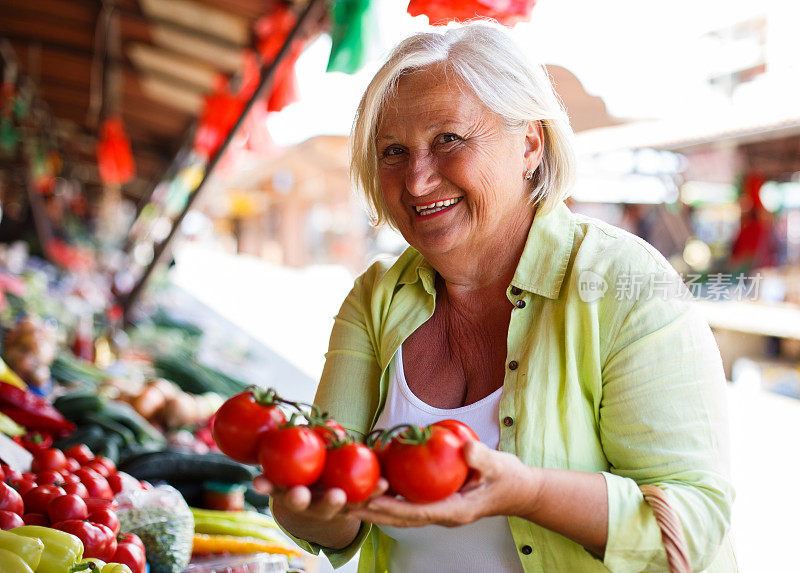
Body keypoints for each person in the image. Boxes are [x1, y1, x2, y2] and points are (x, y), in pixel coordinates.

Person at [255, 22, 735, 572]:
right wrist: (305, 504)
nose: (415, 181)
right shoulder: (376, 299)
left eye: (448, 140)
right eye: (392, 151)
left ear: (530, 143)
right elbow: (333, 518)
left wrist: (526, 492)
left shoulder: (624, 283)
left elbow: (694, 523)